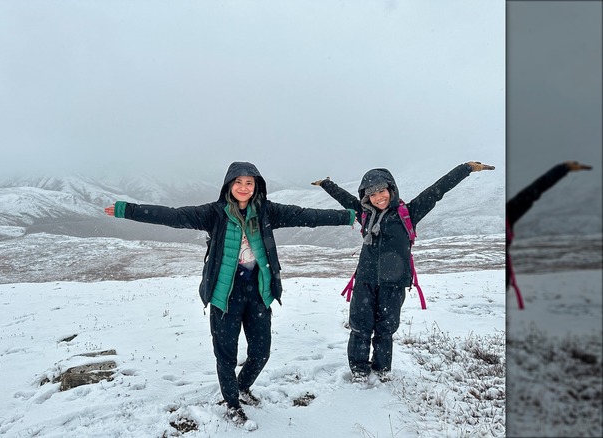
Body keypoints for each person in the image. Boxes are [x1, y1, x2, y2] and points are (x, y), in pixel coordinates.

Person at [104, 161, 356, 426]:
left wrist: (347, 216)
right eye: (239, 182)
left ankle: (242, 386)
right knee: (226, 354)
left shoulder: (267, 211)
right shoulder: (215, 213)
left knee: (261, 352)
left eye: (249, 183)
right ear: (229, 185)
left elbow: (308, 216)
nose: (244, 187)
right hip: (224, 296)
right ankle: (232, 402)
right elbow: (173, 216)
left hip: (258, 293)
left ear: (256, 186)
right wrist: (127, 210)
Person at [311, 161, 495, 382]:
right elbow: (343, 198)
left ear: (391, 189)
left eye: (382, 191)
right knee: (360, 327)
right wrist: (326, 184)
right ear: (365, 197)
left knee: (385, 330)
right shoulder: (364, 213)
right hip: (365, 281)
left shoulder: (409, 212)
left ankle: (381, 370)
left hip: (394, 283)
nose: (378, 197)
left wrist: (465, 168)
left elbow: (438, 190)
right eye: (372, 194)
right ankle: (359, 371)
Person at [506, 160, 593, 308]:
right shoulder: (508, 213)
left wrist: (562, 169)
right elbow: (535, 190)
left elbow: (536, 189)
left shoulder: (509, 212)